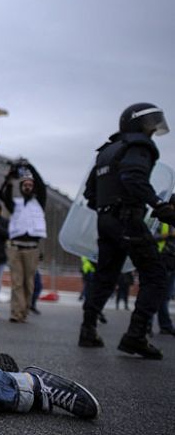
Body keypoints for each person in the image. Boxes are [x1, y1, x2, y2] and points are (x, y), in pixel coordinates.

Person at [79, 103, 174, 359]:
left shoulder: (106, 151)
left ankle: (88, 330)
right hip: (128, 218)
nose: (153, 129)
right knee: (155, 275)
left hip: (106, 220)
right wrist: (159, 205)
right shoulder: (139, 145)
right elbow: (133, 178)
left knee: (105, 276)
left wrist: (106, 207)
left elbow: (90, 193)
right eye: (150, 122)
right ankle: (136, 335)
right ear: (137, 124)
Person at [0, 160, 47, 323]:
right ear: (21, 187)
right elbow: (3, 195)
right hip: (16, 248)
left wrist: (29, 166)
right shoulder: (16, 205)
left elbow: (41, 185)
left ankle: (24, 310)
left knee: (29, 283)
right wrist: (9, 181)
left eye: (29, 184)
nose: (27, 186)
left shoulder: (39, 202)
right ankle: (16, 313)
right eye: (24, 184)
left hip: (32, 249)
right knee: (17, 282)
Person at [153, 223, 175, 335]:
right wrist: (167, 235)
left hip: (173, 264)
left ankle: (165, 326)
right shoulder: (162, 221)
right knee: (154, 294)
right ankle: (145, 324)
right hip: (162, 260)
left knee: (166, 296)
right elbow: (150, 236)